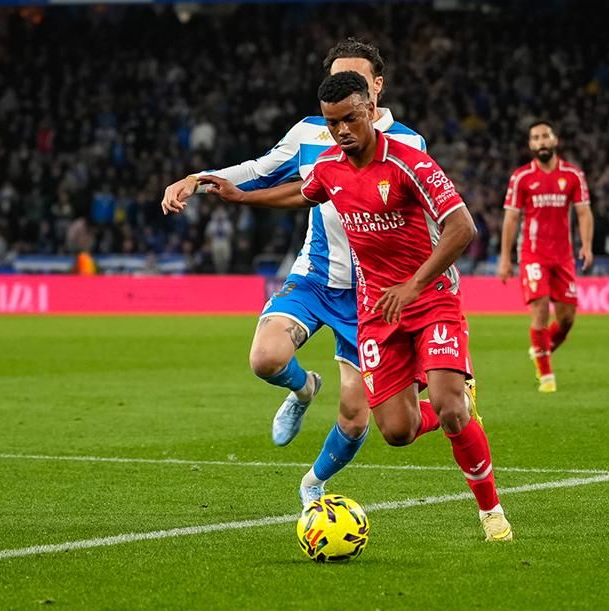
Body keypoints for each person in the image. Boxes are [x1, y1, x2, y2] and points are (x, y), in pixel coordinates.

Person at [201, 71, 512, 542]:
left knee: (447, 407)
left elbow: (462, 228)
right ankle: (460, 406)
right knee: (398, 430)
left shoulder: (410, 163)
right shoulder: (329, 167)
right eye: (332, 123)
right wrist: (243, 196)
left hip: (431, 299)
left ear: (370, 111)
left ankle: (491, 512)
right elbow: (301, 194)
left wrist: (414, 284)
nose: (342, 130)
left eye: (350, 118)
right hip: (375, 311)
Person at [160, 39, 426, 506]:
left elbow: (423, 223)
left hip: (372, 293)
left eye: (357, 80)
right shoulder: (310, 133)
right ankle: (303, 389)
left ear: (377, 86)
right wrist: (195, 180)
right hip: (316, 277)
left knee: (356, 416)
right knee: (265, 357)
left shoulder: (407, 143)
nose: (345, 90)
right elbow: (257, 172)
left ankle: (313, 484)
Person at [498, 121, 594, 394]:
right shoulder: (521, 178)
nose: (540, 142)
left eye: (544, 136)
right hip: (533, 254)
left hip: (563, 256)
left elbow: (584, 212)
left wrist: (586, 245)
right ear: (531, 145)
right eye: (535, 138)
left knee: (566, 319)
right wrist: (505, 258)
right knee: (539, 308)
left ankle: (540, 349)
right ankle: (546, 376)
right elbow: (511, 218)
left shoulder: (573, 175)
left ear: (555, 141)